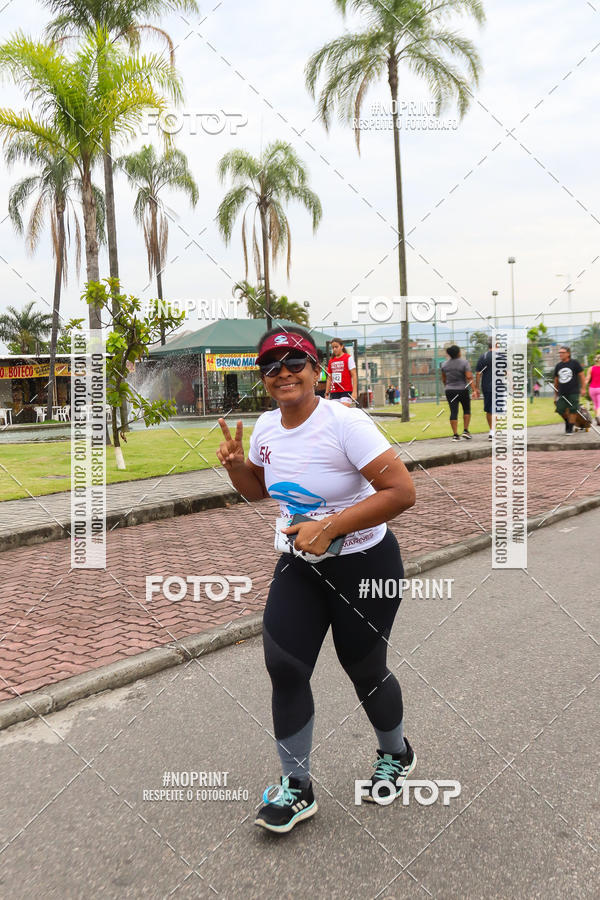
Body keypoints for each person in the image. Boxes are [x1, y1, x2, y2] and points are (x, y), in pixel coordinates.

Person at [217, 326, 417, 834]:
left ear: (315, 369)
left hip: (366, 566)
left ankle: (396, 754)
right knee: (284, 668)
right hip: (299, 567)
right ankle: (297, 787)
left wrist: (328, 527)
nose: (282, 371)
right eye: (270, 365)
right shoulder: (265, 428)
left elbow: (401, 492)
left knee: (365, 669)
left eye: (294, 361)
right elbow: (260, 493)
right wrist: (238, 467)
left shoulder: (345, 424)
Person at [441, 345, 475, 441]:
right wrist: (474, 389)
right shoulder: (464, 363)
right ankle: (465, 431)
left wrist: (448, 386)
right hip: (462, 389)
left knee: (453, 411)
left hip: (449, 390)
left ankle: (455, 435)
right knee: (466, 410)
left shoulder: (444, 364)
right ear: (459, 353)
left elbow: (444, 379)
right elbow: (469, 377)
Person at [553, 346, 585, 434]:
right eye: (559, 353)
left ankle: (570, 428)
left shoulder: (575, 363)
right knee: (560, 409)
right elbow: (556, 380)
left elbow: (582, 376)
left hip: (574, 392)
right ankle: (568, 421)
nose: (560, 354)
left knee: (573, 409)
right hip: (562, 392)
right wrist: (555, 394)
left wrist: (583, 388)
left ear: (568, 354)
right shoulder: (558, 366)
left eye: (562, 352)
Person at [325, 338, 357, 406]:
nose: (334, 349)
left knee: (343, 411)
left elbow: (354, 375)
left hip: (346, 390)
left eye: (336, 347)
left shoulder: (348, 358)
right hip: (334, 391)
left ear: (342, 346)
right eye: (333, 347)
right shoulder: (331, 361)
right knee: (336, 413)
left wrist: (354, 392)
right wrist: (327, 393)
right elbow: (329, 377)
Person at [475, 340, 494, 440]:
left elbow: (478, 373)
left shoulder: (483, 357)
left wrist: (477, 388)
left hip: (486, 386)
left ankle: (492, 431)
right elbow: (507, 372)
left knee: (489, 409)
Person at [585, 354, 600, 425]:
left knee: (595, 404)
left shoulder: (590, 368)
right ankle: (598, 416)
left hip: (592, 389)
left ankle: (598, 418)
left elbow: (587, 379)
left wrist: (583, 386)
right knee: (599, 404)